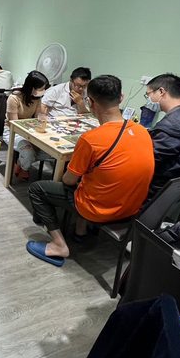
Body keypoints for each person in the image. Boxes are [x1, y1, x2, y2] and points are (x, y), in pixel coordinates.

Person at [25, 75, 155, 267]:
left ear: (90, 102)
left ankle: (59, 245)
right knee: (92, 178)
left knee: (37, 189)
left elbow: (68, 181)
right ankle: (80, 231)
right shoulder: (143, 132)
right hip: (133, 209)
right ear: (121, 97)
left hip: (98, 210)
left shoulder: (91, 139)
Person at [5, 70, 50, 180]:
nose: (43, 91)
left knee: (50, 151)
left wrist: (43, 117)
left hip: (30, 131)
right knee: (29, 152)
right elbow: (15, 124)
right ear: (32, 88)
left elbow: (38, 118)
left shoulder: (37, 99)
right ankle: (24, 166)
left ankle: (20, 163)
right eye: (41, 89)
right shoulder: (14, 98)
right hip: (13, 132)